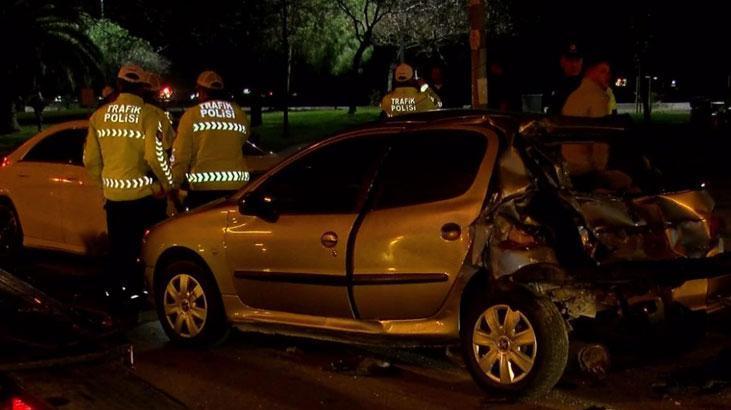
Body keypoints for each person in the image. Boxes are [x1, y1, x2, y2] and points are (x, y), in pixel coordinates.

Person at [84, 64, 174, 308]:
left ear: (119, 84)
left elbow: (90, 160)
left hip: (114, 197)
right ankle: (139, 291)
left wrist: (104, 186)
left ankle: (114, 292)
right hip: (145, 196)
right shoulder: (151, 115)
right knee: (146, 246)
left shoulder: (99, 116)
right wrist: (167, 183)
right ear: (143, 88)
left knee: (119, 246)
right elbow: (156, 156)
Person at [172, 71, 251, 209]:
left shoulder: (192, 115)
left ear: (201, 92)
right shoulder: (239, 113)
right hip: (237, 189)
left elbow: (181, 156)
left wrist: (173, 185)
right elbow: (243, 140)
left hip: (203, 190)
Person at [545, 42, 583, 115]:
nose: (574, 65)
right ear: (562, 61)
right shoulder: (552, 85)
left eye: (577, 60)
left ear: (582, 62)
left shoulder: (588, 86)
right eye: (570, 60)